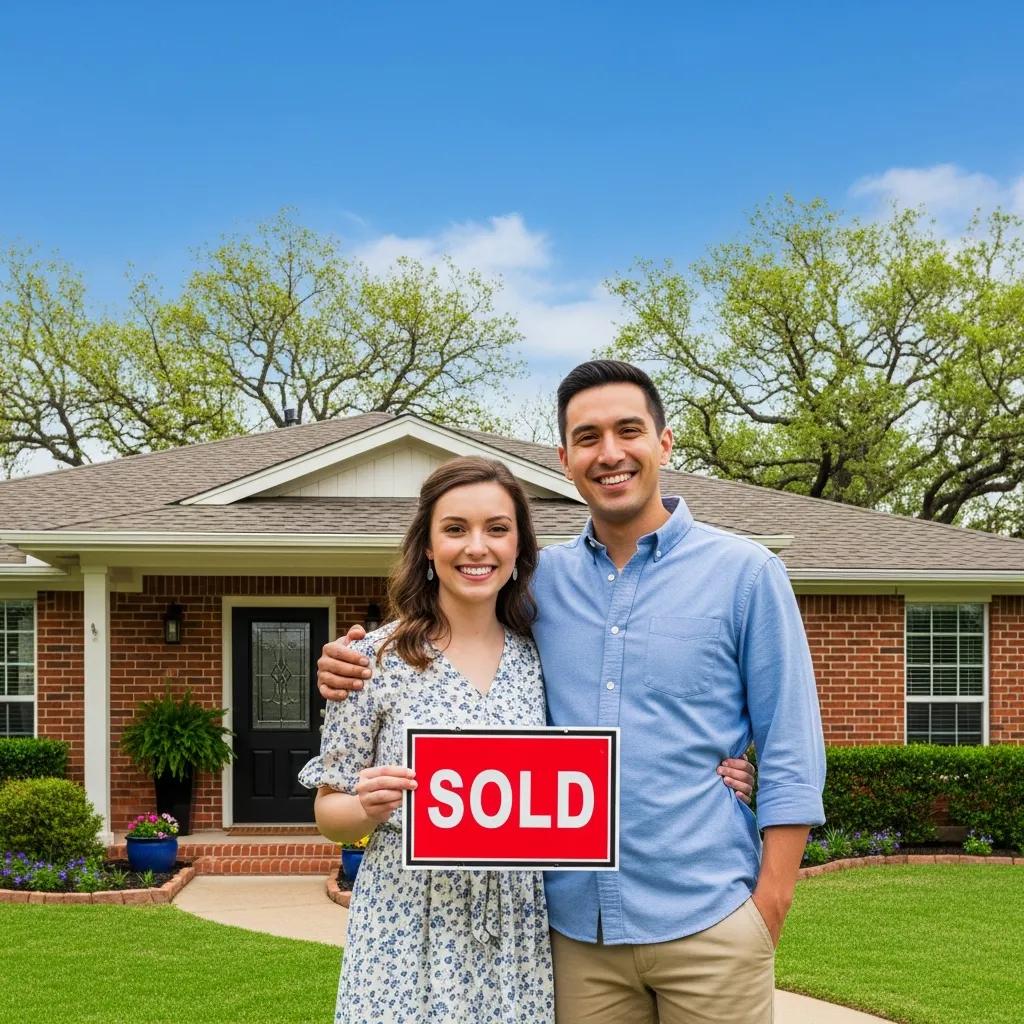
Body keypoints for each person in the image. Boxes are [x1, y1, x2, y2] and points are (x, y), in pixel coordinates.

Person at [319, 360, 826, 1024]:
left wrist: (770, 904)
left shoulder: (745, 574)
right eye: (588, 437)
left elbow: (791, 747)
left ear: (664, 442)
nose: (609, 452)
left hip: (709, 919)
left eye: (628, 430)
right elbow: (448, 632)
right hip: (572, 934)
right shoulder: (536, 586)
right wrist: (347, 659)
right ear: (565, 458)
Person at [299, 456, 554, 1023]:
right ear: (428, 548)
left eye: (497, 528)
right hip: (406, 919)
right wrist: (365, 806)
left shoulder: (544, 657)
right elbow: (328, 814)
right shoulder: (370, 660)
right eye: (455, 528)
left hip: (516, 921)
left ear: (518, 548)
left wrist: (722, 766)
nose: (476, 547)